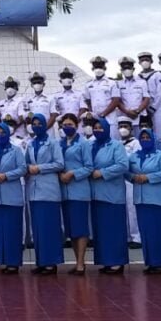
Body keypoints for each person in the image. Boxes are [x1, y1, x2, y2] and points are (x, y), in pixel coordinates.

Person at [127, 130, 161, 273]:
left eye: (148, 137)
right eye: (142, 137)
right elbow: (126, 171)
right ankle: (151, 262)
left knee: (159, 232)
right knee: (147, 232)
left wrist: (148, 177)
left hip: (157, 200)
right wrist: (132, 177)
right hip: (141, 200)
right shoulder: (134, 156)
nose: (145, 139)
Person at [87, 118, 129, 273]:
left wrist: (102, 173)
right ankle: (106, 260)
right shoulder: (91, 146)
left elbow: (122, 165)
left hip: (112, 194)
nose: (97, 130)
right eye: (95, 127)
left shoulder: (116, 145)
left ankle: (117, 262)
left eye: (100, 127)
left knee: (114, 229)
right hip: (95, 194)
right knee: (101, 230)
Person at [23, 112, 63, 274]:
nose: (37, 126)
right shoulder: (31, 144)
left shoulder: (53, 143)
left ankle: (51, 262)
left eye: (40, 123)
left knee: (49, 227)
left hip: (48, 189)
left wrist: (40, 168)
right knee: (38, 228)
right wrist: (26, 169)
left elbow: (59, 164)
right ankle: (41, 261)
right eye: (34, 124)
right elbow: (26, 163)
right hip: (33, 190)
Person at [0, 121, 26, 273]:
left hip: (12, 196)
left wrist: (6, 176)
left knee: (13, 231)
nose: (0, 135)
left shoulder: (16, 150)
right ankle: (3, 261)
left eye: (3, 133)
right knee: (1, 231)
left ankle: (14, 263)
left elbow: (22, 168)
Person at [58, 113, 92, 275]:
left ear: (77, 125)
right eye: (64, 125)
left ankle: (81, 262)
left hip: (79, 190)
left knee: (80, 227)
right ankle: (77, 260)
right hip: (64, 191)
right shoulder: (59, 143)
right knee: (71, 229)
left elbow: (89, 167)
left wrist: (72, 174)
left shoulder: (83, 143)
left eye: (70, 124)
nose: (67, 127)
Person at [80, 57, 120, 137]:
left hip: (110, 118)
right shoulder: (88, 84)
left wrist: (103, 114)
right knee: (97, 140)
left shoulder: (112, 83)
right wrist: (93, 114)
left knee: (112, 141)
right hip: (96, 119)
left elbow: (115, 100)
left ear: (105, 68)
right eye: (96, 67)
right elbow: (88, 101)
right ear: (92, 68)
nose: (98, 69)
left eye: (100, 66)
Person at [117, 121, 142, 248]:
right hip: (119, 179)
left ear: (131, 129)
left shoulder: (135, 143)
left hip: (131, 178)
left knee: (132, 208)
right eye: (120, 127)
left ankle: (136, 237)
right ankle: (127, 236)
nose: (123, 129)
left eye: (125, 127)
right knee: (123, 208)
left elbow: (136, 159)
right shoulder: (117, 143)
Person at [116, 57, 151, 137]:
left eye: (129, 67)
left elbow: (146, 98)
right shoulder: (118, 84)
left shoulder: (142, 82)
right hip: (125, 116)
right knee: (127, 140)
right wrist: (127, 112)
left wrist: (138, 111)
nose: (127, 70)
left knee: (142, 138)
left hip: (140, 116)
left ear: (133, 68)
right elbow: (118, 101)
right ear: (121, 70)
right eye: (124, 68)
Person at [137, 52, 161, 142]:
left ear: (151, 61)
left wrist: (153, 107)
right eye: (142, 60)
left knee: (159, 132)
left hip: (157, 107)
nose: (145, 62)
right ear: (139, 62)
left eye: (147, 60)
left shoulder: (157, 74)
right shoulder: (138, 77)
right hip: (143, 109)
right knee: (144, 132)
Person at [51, 68, 82, 133]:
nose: (66, 79)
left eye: (69, 77)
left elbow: (83, 109)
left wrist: (75, 122)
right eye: (64, 77)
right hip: (63, 125)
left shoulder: (80, 94)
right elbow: (56, 112)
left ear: (73, 80)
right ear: (60, 81)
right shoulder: (56, 96)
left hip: (78, 125)